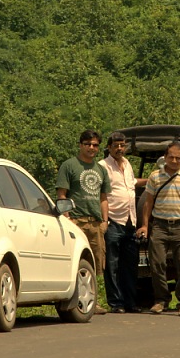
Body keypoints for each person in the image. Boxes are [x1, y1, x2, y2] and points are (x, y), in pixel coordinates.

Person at [135, 141, 180, 317]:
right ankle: (161, 301)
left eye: (177, 158)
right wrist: (144, 225)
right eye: (171, 157)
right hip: (159, 226)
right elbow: (148, 203)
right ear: (165, 157)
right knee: (157, 264)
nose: (174, 160)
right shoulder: (155, 176)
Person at [56, 129, 111, 314]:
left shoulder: (101, 169)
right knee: (75, 262)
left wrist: (105, 221)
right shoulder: (69, 166)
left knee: (95, 264)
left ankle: (91, 302)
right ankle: (72, 301)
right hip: (76, 221)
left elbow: (103, 198)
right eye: (88, 144)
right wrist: (67, 217)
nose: (91, 148)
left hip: (95, 222)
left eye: (95, 145)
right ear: (80, 145)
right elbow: (62, 195)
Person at [100, 132, 146, 314]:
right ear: (109, 147)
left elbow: (131, 184)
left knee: (130, 265)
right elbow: (101, 194)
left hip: (130, 221)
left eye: (122, 145)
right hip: (113, 220)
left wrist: (151, 181)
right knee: (112, 265)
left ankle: (130, 302)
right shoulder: (103, 166)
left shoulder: (127, 164)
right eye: (116, 145)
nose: (119, 148)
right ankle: (116, 303)